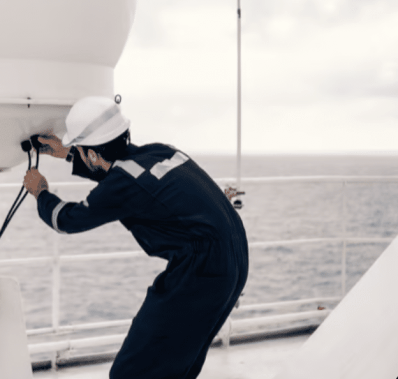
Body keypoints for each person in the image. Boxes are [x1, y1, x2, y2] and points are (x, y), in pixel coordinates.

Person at [23, 96, 249, 379]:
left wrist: (41, 191)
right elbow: (128, 178)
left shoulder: (123, 182)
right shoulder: (158, 151)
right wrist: (68, 153)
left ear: (92, 155)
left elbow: (67, 220)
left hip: (201, 271)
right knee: (176, 366)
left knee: (133, 370)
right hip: (234, 255)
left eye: (82, 152)